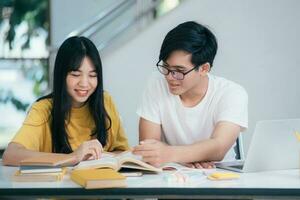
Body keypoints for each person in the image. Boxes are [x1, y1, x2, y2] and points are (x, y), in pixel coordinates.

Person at [133, 21, 248, 168]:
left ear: (204, 69)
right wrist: (188, 158)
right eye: (166, 67)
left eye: (179, 71)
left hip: (220, 175)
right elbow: (149, 148)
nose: (169, 76)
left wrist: (170, 154)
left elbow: (219, 147)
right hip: (172, 174)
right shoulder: (156, 83)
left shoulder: (232, 93)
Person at [3, 36, 129, 166]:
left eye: (92, 75)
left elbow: (123, 153)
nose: (84, 83)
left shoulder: (105, 102)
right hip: (57, 185)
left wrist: (101, 155)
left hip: (100, 184)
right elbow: (11, 155)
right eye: (75, 75)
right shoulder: (43, 109)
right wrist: (73, 157)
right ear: (61, 74)